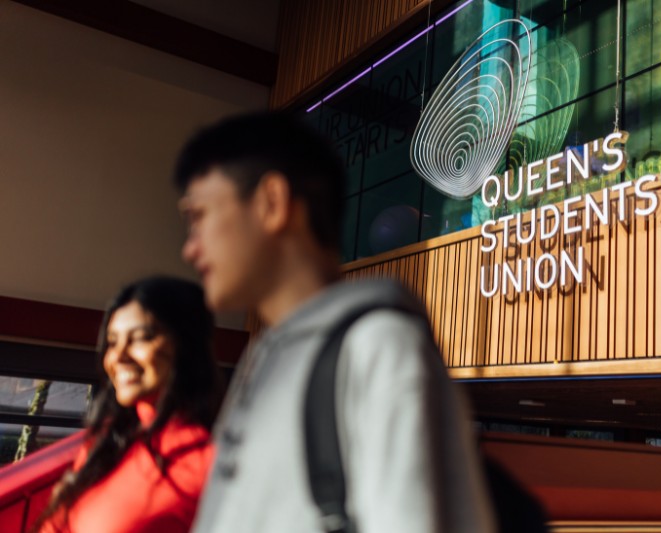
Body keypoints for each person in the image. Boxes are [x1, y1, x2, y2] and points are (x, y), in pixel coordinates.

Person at [175, 111, 496, 533]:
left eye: (198, 218)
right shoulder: (263, 356)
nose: (190, 250)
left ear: (272, 202)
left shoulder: (379, 346)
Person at [35, 276, 221, 533]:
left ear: (186, 346)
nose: (119, 356)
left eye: (141, 337)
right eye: (112, 342)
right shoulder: (105, 443)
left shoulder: (212, 462)